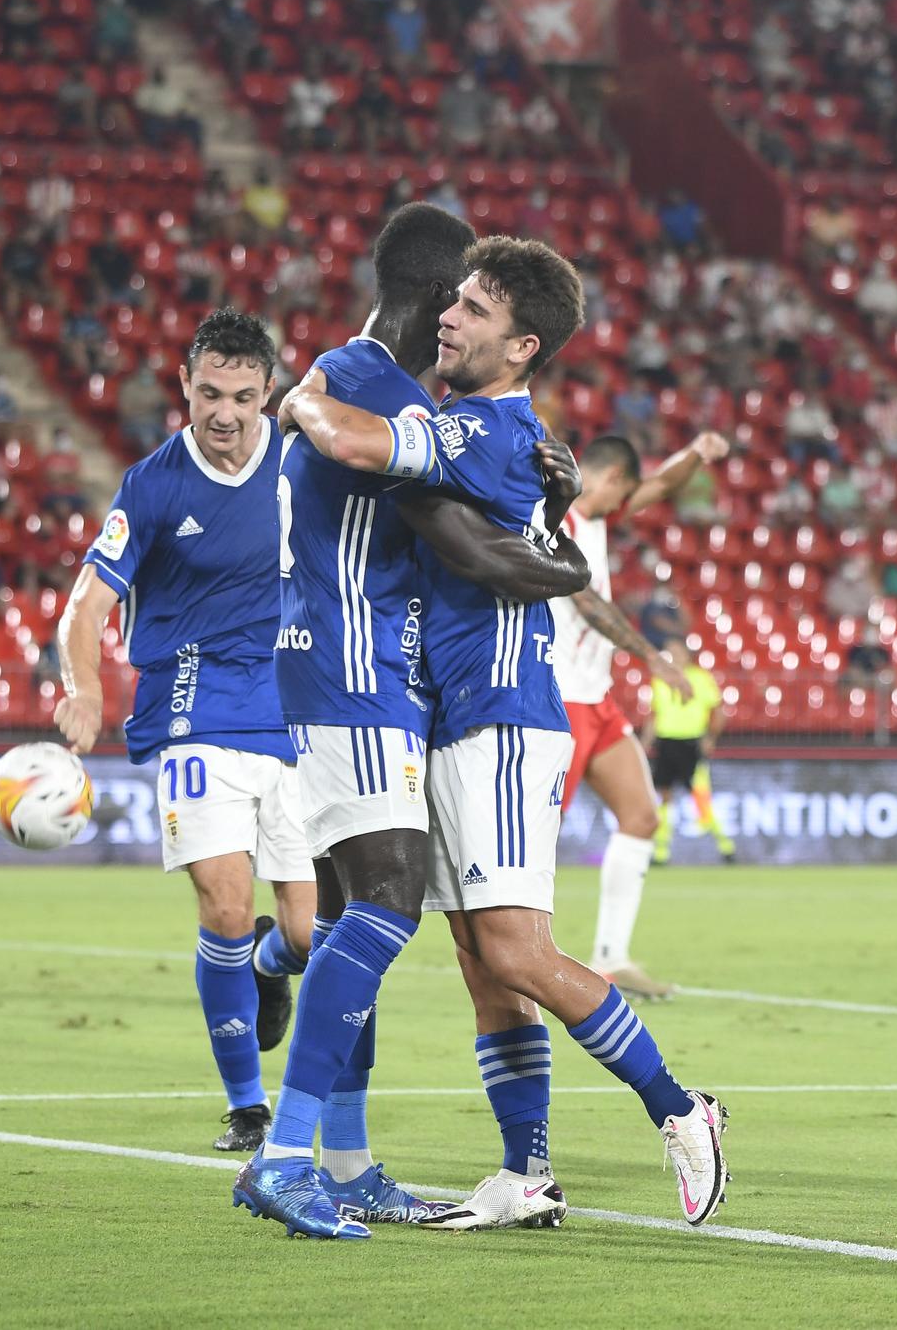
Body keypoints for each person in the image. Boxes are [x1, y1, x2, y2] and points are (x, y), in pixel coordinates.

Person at [279, 236, 729, 1231]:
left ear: (522, 344)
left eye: (475, 310)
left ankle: (681, 1109)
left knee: (520, 952)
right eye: (454, 301)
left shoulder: (479, 433)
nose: (450, 316)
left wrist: (298, 392)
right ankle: (524, 1171)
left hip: (500, 717)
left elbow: (359, 448)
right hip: (445, 715)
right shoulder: (481, 427)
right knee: (483, 965)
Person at [236, 204, 593, 1239]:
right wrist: (562, 560)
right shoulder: (376, 397)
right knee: (389, 903)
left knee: (353, 917)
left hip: (317, 666)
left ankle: (341, 1162)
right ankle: (286, 1153)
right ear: (446, 303)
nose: (466, 325)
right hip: (354, 674)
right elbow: (465, 545)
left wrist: (543, 489)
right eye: (467, 301)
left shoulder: (340, 367)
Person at [54, 311, 317, 1155]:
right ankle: (247, 1104)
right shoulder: (154, 484)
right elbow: (88, 604)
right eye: (210, 392)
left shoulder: (300, 455)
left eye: (245, 395)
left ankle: (270, 971)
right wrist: (85, 687)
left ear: (268, 391)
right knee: (225, 904)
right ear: (184, 385)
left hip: (292, 707)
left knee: (309, 935)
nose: (227, 412)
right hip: (192, 706)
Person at [550, 431, 729, 998]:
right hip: (557, 698)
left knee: (643, 816)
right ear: (609, 481)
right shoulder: (553, 519)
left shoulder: (600, 516)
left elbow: (660, 484)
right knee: (534, 843)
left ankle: (610, 958)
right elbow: (588, 601)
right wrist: (653, 657)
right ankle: (517, 957)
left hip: (596, 699)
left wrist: (695, 452)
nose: (629, 503)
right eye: (624, 492)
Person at [644, 651, 733, 867]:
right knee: (664, 795)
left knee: (700, 796)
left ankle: (725, 845)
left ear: (687, 655)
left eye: (677, 651)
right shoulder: (660, 679)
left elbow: (718, 710)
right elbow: (654, 714)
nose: (674, 656)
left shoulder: (700, 678)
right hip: (666, 742)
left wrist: (711, 737)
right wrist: (646, 741)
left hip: (691, 742)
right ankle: (661, 851)